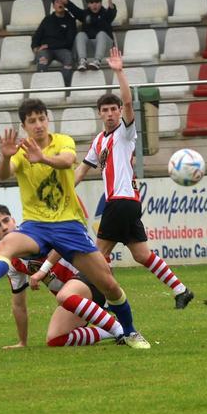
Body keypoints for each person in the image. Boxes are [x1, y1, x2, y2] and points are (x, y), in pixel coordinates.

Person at [0, 98, 150, 349]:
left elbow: (68, 160)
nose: (38, 125)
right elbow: (4, 174)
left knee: (110, 285)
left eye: (41, 119)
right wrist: (5, 158)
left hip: (68, 224)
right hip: (36, 225)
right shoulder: (21, 151)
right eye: (32, 121)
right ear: (24, 126)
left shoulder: (63, 141)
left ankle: (130, 332)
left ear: (48, 120)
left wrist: (43, 159)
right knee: (6, 244)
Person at [72, 47, 195, 308]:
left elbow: (129, 102)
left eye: (113, 109)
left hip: (120, 201)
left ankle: (102, 306)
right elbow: (83, 168)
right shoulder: (99, 140)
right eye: (104, 110)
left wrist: (119, 72)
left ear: (118, 111)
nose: (109, 113)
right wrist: (65, 189)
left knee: (98, 254)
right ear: (99, 113)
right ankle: (180, 289)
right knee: (141, 254)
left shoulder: (125, 134)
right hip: (126, 202)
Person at [0, 205, 127, 348]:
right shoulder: (13, 263)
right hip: (73, 300)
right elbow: (18, 305)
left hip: (92, 276)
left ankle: (122, 331)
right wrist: (22, 342)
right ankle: (108, 330)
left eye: (6, 220)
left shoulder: (34, 233)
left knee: (64, 295)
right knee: (55, 339)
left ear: (13, 220)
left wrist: (43, 270)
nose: (4, 227)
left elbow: (61, 242)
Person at [33, 0, 77, 86]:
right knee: (42, 59)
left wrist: (49, 45)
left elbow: (69, 42)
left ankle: (65, 87)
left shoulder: (70, 20)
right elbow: (37, 35)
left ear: (65, 5)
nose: (60, 4)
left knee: (69, 59)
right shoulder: (47, 19)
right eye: (57, 2)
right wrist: (35, 47)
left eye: (61, 2)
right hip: (46, 50)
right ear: (53, 6)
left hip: (62, 49)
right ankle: (41, 86)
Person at [65, 0, 116, 71]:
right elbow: (75, 10)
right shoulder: (85, 14)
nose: (94, 5)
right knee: (80, 34)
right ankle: (82, 61)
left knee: (101, 34)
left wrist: (112, 8)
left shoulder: (105, 13)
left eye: (97, 2)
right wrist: (67, 3)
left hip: (106, 47)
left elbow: (110, 15)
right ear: (88, 4)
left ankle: (97, 61)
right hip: (90, 48)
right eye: (91, 3)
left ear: (101, 3)